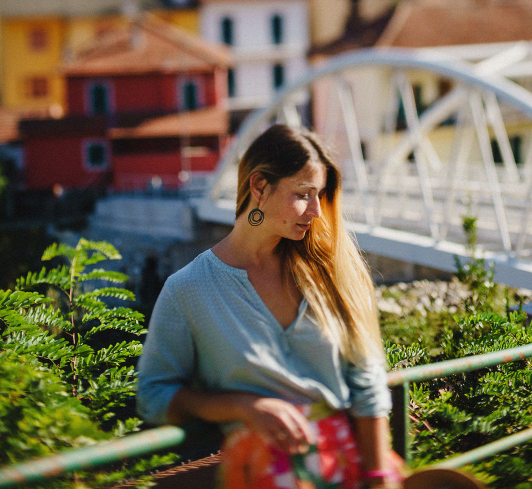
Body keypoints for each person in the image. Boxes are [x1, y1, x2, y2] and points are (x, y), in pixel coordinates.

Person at [136, 124, 403, 489]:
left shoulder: (332, 273)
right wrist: (243, 407)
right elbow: (153, 396)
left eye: (319, 195)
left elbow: (367, 379)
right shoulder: (188, 289)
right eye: (303, 194)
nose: (316, 211)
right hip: (260, 476)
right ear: (259, 187)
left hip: (347, 467)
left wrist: (378, 477)